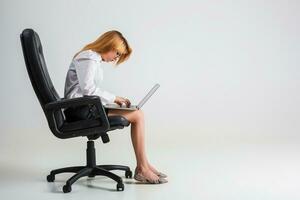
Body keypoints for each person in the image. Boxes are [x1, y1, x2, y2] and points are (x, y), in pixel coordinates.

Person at [63, 30, 167, 184]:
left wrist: (112, 102)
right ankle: (142, 168)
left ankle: (144, 165)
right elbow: (88, 90)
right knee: (138, 115)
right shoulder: (89, 57)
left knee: (137, 113)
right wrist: (114, 98)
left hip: (85, 108)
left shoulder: (93, 58)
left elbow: (88, 92)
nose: (116, 58)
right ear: (108, 45)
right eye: (117, 53)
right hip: (79, 111)